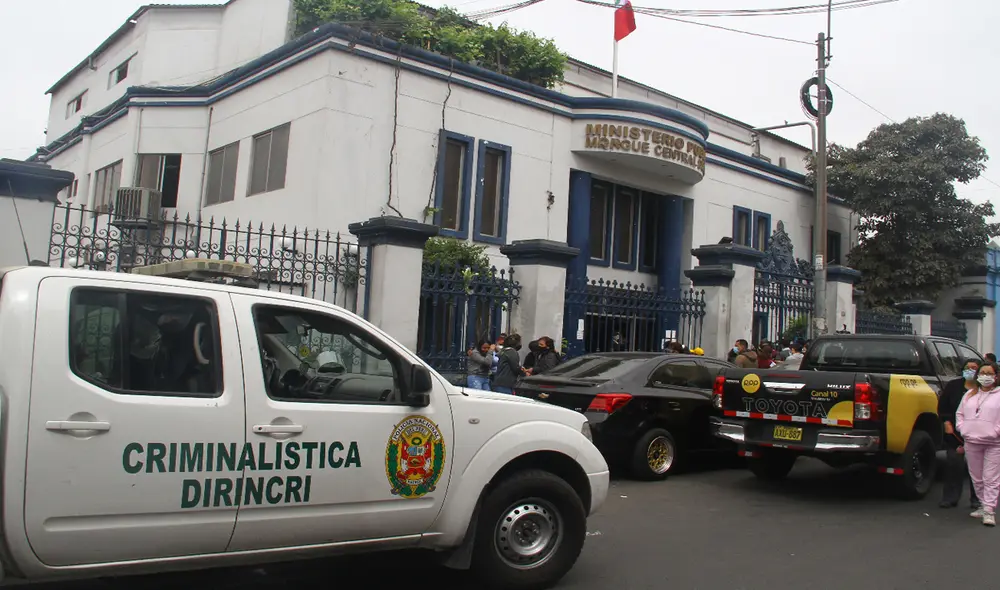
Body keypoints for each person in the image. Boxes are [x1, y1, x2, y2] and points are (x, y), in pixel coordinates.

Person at [956, 362, 1000, 526]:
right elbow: (959, 414)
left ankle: (989, 510)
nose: (985, 376)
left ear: (995, 376)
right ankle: (983, 505)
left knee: (991, 478)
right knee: (977, 477)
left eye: (989, 373)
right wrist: (963, 429)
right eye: (982, 373)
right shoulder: (969, 395)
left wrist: (995, 432)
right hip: (972, 441)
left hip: (994, 443)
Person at [939, 359, 981, 509]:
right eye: (967, 368)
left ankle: (977, 499)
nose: (970, 371)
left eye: (974, 368)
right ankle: (950, 498)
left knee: (976, 469)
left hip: (977, 434)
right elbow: (942, 406)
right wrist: (946, 422)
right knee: (953, 465)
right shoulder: (953, 386)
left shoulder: (983, 388)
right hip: (955, 434)